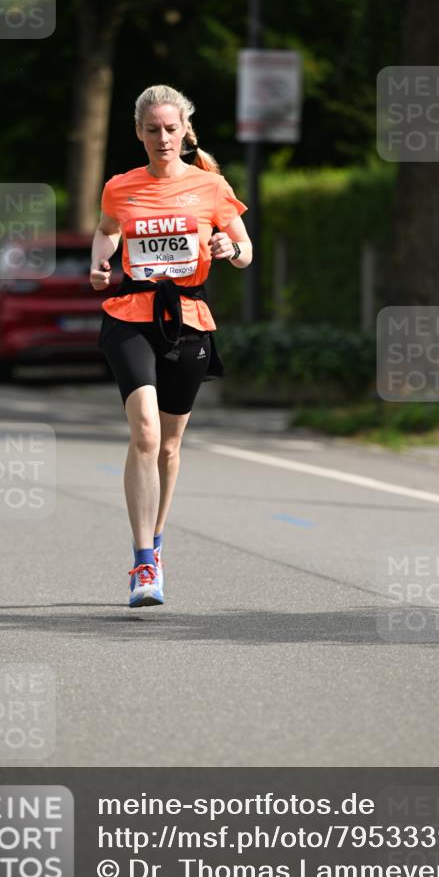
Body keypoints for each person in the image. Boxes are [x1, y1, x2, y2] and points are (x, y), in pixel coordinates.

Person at [90, 84, 251, 608]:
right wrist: (101, 261)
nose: (163, 137)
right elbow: (107, 230)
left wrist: (230, 248)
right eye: (152, 129)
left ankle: (155, 545)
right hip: (130, 318)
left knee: (168, 447)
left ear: (185, 130)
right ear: (139, 132)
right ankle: (141, 564)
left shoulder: (211, 186)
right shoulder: (120, 186)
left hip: (188, 320)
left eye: (171, 128)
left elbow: (243, 247)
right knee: (144, 432)